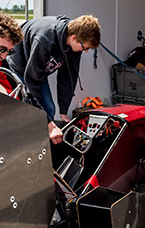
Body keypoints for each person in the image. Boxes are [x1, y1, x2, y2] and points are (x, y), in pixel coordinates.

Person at [6, 15, 101, 144]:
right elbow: (33, 82)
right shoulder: (45, 40)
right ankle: (25, 143)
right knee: (31, 108)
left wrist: (63, 112)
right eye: (85, 47)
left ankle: (44, 145)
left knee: (49, 109)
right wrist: (50, 125)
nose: (85, 51)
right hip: (21, 65)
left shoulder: (75, 46)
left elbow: (68, 77)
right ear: (74, 38)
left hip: (37, 69)